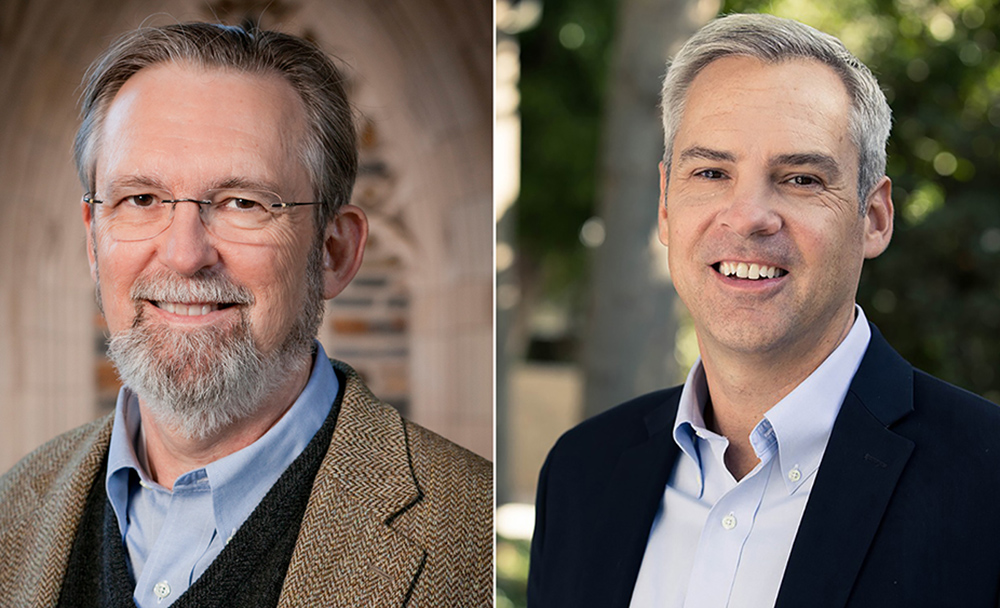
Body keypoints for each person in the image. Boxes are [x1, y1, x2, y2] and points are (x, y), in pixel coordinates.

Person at [0, 23, 491, 607]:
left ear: (333, 251)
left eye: (242, 202)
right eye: (141, 199)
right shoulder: (15, 508)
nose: (185, 254)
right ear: (93, 243)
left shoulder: (468, 538)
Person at [528, 13, 1000, 608]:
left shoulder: (987, 484)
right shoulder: (581, 474)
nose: (749, 214)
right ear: (667, 207)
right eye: (711, 172)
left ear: (874, 218)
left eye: (800, 178)